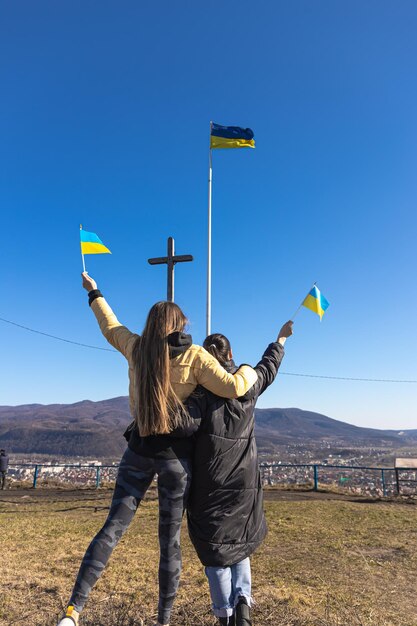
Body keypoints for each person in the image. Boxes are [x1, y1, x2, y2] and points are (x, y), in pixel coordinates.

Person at [57, 273, 258, 626]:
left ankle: (73, 611)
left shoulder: (136, 348)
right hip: (175, 463)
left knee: (111, 529)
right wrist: (249, 372)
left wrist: (94, 293)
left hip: (137, 450)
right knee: (170, 544)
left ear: (151, 324)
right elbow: (233, 388)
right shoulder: (195, 356)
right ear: (179, 324)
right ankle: (163, 621)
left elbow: (110, 325)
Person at [186, 321, 293, 626]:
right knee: (240, 543)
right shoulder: (247, 384)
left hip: (209, 486)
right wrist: (281, 340)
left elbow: (182, 427)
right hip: (244, 485)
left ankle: (224, 615)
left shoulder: (197, 394)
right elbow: (267, 367)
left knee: (216, 555)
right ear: (230, 353)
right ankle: (243, 601)